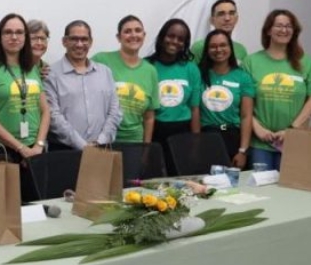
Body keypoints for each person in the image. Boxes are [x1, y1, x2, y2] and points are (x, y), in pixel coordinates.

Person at [0, 14, 50, 202]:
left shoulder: (32, 69)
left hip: (35, 151)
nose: (14, 37)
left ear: (25, 37)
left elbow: (46, 111)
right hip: (1, 152)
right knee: (2, 211)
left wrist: (38, 146)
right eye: (8, 32)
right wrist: (20, 148)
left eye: (19, 32)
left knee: (35, 210)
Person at [243, 9, 311, 170]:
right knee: (260, 191)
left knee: (289, 191)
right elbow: (243, 102)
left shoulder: (306, 63)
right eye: (279, 26)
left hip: (294, 140)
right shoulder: (251, 62)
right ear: (268, 30)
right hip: (260, 142)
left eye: (289, 26)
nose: (284, 30)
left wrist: (292, 130)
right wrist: (257, 128)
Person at [45, 20, 121, 149]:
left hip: (102, 148)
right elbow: (53, 116)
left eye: (84, 39)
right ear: (64, 41)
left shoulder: (105, 72)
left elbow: (115, 110)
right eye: (74, 39)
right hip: (64, 151)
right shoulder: (51, 74)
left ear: (90, 42)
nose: (80, 44)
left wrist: (101, 140)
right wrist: (82, 145)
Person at [93, 15, 160, 144]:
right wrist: (44, 69)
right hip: (102, 140)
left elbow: (149, 117)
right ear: (119, 37)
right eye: (127, 31)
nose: (133, 35)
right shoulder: (101, 60)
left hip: (135, 142)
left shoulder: (150, 71)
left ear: (144, 35)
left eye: (138, 30)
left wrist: (146, 148)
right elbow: (77, 70)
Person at [146, 19, 203, 170]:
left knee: (178, 179)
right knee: (152, 179)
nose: (175, 41)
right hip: (153, 131)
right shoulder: (147, 66)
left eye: (180, 39)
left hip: (182, 133)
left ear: (185, 43)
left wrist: (196, 142)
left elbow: (194, 108)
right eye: (171, 36)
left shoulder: (191, 69)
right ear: (162, 37)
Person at [198, 29, 255, 168]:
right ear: (207, 49)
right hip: (206, 137)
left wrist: (243, 151)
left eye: (223, 45)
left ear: (230, 48)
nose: (218, 50)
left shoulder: (243, 77)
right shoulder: (198, 73)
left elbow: (246, 116)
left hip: (232, 137)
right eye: (213, 46)